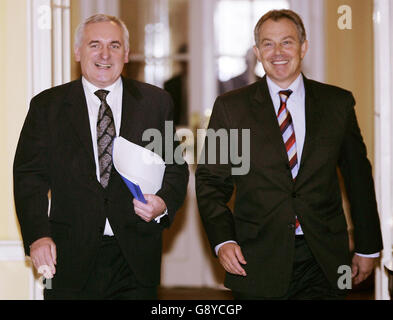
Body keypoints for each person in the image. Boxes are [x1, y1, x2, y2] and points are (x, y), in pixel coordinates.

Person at [195, 9, 383, 300]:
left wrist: (367, 246)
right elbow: (210, 182)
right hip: (255, 257)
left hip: (324, 258)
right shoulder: (230, 107)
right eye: (268, 44)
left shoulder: (338, 104)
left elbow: (358, 178)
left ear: (303, 46)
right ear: (257, 51)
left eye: (287, 42)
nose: (278, 52)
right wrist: (224, 240)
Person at [13, 14, 189, 300]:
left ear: (127, 53)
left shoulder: (156, 103)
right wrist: (37, 235)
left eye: (115, 45)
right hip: (67, 258)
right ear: (78, 51)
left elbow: (175, 169)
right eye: (94, 44)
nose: (105, 54)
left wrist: (163, 203)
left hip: (135, 258)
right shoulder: (47, 106)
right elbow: (28, 177)